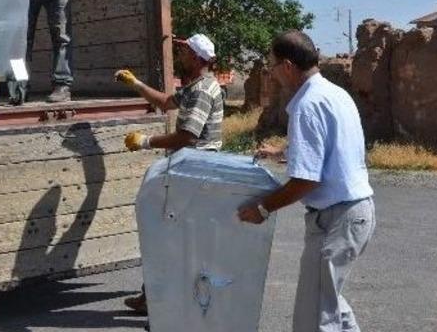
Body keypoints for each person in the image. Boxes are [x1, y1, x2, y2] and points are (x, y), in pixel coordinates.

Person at [237, 30, 376, 332]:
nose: (271, 74)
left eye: (272, 66)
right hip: (355, 212)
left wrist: (262, 208)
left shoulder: (307, 105)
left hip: (337, 219)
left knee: (313, 317)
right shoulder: (334, 94)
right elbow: (329, 149)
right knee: (330, 303)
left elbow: (305, 181)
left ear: (287, 65)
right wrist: (282, 152)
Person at [114, 33, 225, 315]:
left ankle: (159, 300)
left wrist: (145, 141)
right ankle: (154, 296)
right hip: (193, 171)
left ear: (196, 58)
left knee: (169, 235)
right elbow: (166, 102)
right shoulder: (198, 86)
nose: (180, 55)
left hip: (195, 171)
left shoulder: (201, 91)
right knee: (172, 235)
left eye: (185, 51)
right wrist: (136, 83)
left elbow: (187, 136)